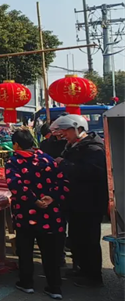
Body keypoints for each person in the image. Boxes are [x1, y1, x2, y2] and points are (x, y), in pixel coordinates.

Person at [6, 129, 67, 299]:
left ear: (16, 145)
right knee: (50, 252)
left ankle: (26, 283)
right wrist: (51, 198)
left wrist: (34, 201)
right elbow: (63, 182)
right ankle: (54, 287)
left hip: (25, 214)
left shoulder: (14, 162)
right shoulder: (48, 159)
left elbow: (15, 185)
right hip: (50, 214)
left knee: (25, 250)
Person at [50, 114, 108, 287]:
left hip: (90, 203)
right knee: (76, 238)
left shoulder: (94, 149)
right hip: (76, 201)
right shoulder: (73, 146)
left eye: (65, 131)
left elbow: (91, 173)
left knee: (89, 240)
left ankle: (93, 276)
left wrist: (64, 164)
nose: (63, 135)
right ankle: (80, 269)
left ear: (77, 128)